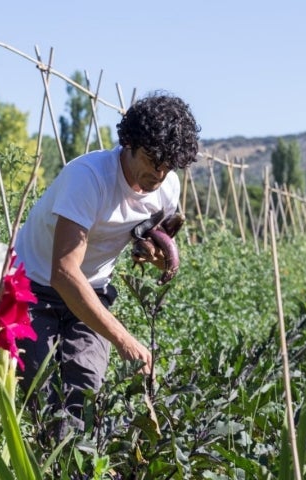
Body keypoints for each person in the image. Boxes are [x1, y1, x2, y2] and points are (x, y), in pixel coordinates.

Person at [14, 91, 200, 436]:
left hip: (92, 291)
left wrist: (153, 252)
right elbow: (64, 272)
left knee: (85, 390)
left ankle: (73, 469)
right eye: (151, 159)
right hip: (32, 287)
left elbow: (149, 234)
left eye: (168, 165)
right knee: (39, 395)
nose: (158, 173)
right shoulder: (89, 177)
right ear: (129, 143)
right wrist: (125, 341)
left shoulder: (166, 187)